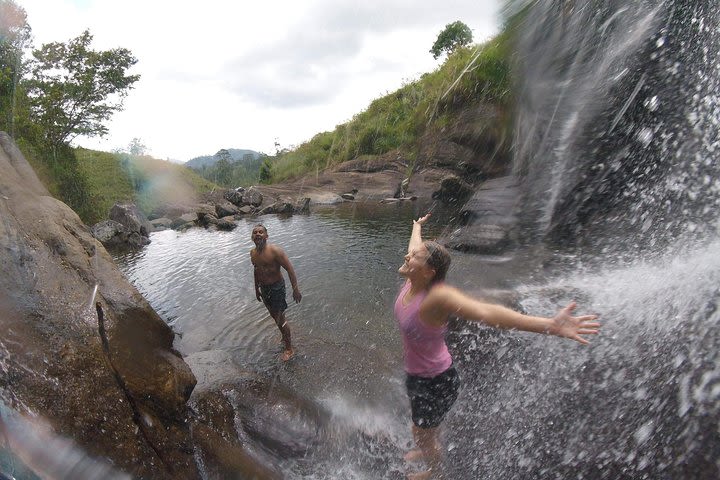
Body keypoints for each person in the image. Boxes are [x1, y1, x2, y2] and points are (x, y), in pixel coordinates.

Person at [396, 213, 600, 480]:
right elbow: (414, 248)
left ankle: (435, 471)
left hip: (435, 381)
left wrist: (550, 325)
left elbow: (488, 312)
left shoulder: (437, 297)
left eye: (414, 257)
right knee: (422, 426)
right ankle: (428, 442)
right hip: (419, 374)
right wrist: (416, 227)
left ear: (429, 271)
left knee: (420, 430)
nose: (407, 257)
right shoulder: (414, 278)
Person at [250, 224, 302, 361]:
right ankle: (284, 336)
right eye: (255, 232)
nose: (258, 234)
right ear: (252, 237)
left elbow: (290, 269)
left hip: (277, 288)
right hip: (264, 289)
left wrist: (295, 289)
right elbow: (256, 271)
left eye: (261, 232)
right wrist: (256, 289)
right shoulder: (253, 253)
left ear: (267, 236)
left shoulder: (275, 251)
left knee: (280, 318)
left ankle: (289, 349)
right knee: (275, 317)